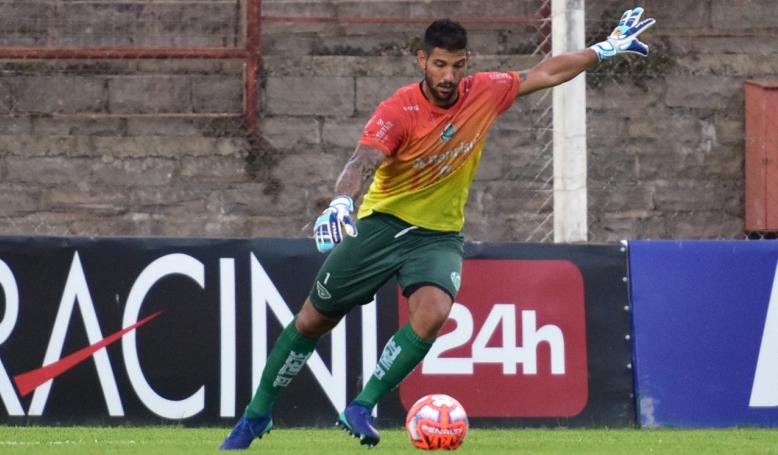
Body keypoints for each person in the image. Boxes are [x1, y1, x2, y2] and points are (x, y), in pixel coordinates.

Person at [220, 7, 655, 450]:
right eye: (440, 64)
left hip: (438, 236)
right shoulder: (399, 109)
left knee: (433, 315)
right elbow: (362, 161)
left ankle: (361, 405)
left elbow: (545, 72)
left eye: (458, 65)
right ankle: (256, 416)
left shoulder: (485, 91)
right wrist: (340, 201)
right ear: (422, 61)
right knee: (312, 321)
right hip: (380, 227)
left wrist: (603, 50)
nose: (449, 75)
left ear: (469, 63)